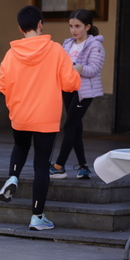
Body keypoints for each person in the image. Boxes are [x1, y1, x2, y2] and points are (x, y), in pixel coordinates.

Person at [0, 5, 81, 231]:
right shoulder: (55, 51)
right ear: (40, 24)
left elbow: (3, 84)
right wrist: (76, 71)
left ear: (20, 28)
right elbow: (69, 83)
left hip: (20, 114)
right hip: (46, 116)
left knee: (20, 146)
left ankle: (13, 177)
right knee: (41, 165)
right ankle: (37, 217)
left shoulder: (11, 54)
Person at [51, 9, 105, 180]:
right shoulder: (67, 44)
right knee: (75, 127)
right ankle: (83, 167)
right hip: (68, 88)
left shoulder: (95, 45)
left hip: (84, 91)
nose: (73, 30)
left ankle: (59, 166)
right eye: (71, 26)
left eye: (78, 26)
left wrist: (78, 68)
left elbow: (94, 69)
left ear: (87, 27)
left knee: (69, 126)